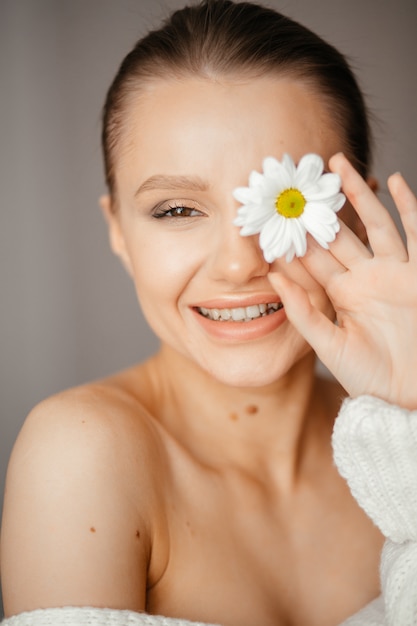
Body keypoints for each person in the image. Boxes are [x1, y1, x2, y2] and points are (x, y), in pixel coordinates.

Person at [1, 1, 416, 625]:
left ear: (358, 216)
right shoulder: (83, 453)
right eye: (177, 210)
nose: (237, 265)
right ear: (117, 229)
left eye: (287, 204)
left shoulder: (408, 432)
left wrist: (408, 414)